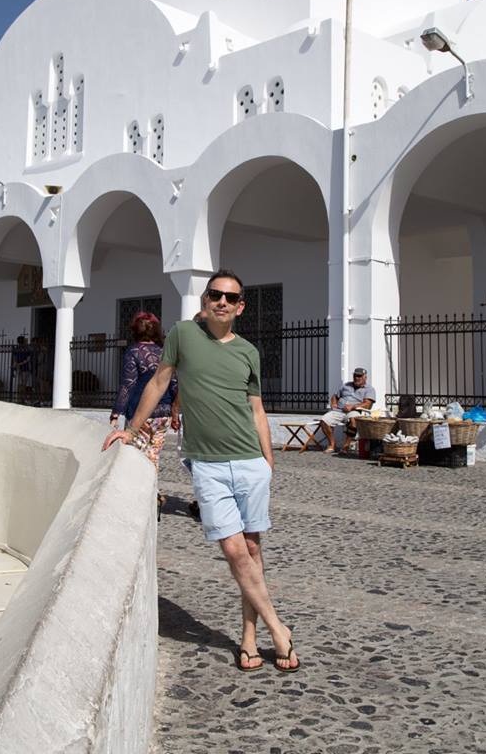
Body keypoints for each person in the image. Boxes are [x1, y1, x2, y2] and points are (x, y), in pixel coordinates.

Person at [103, 269, 299, 673]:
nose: (222, 302)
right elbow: (159, 382)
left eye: (230, 297)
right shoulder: (182, 335)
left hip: (250, 463)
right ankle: (279, 629)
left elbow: (257, 409)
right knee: (233, 550)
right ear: (205, 300)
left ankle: (248, 638)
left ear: (241, 306)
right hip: (207, 464)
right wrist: (130, 430)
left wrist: (269, 459)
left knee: (252, 550)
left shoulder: (248, 352)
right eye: (215, 295)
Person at [109, 312, 179, 517]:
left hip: (140, 414)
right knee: (153, 455)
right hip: (163, 413)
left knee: (135, 456)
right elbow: (174, 383)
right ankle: (152, 495)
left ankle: (141, 497)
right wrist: (175, 412)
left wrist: (116, 412)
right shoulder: (164, 352)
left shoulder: (133, 353)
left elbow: (128, 385)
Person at [319, 368, 376, 453]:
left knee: (354, 420)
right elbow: (335, 396)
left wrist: (353, 407)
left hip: (354, 411)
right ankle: (331, 444)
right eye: (355, 375)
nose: (357, 378)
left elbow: (368, 405)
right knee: (324, 420)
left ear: (365, 377)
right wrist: (333, 403)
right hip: (339, 410)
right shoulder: (346, 385)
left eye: (359, 376)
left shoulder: (369, 389)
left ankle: (345, 447)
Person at [11, 335, 33, 403]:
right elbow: (28, 359)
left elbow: (15, 359)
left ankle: (20, 398)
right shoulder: (26, 348)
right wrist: (18, 364)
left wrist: (17, 364)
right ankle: (21, 398)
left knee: (21, 383)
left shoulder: (17, 348)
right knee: (23, 383)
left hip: (21, 367)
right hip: (24, 367)